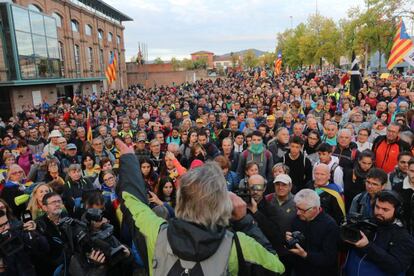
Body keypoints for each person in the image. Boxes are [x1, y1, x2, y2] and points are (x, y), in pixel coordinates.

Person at [116, 138, 285, 275]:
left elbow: (133, 202)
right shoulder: (238, 246)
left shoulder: (156, 233)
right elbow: (276, 268)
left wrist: (129, 160)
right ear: (221, 203)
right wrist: (244, 221)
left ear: (180, 199)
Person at [344, 190, 414, 276]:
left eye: (385, 209)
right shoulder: (366, 223)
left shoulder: (403, 237)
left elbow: (396, 267)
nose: (379, 212)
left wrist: (367, 246)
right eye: (377, 207)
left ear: (397, 211)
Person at [286, 189, 339, 276]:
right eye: (297, 208)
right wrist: (289, 241)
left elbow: (329, 258)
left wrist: (305, 255)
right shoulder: (297, 220)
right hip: (298, 270)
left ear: (314, 208)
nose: (298, 212)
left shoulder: (330, 225)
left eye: (302, 210)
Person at [0, 208, 48, 276]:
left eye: (6, 223)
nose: (5, 227)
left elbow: (43, 248)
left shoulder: (16, 233)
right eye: (0, 226)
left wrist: (34, 233)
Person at [246, 174, 285, 255]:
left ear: (264, 188)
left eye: (259, 187)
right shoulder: (241, 206)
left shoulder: (272, 209)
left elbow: (276, 236)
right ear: (247, 188)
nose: (255, 191)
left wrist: (256, 212)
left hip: (266, 253)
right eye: (252, 187)